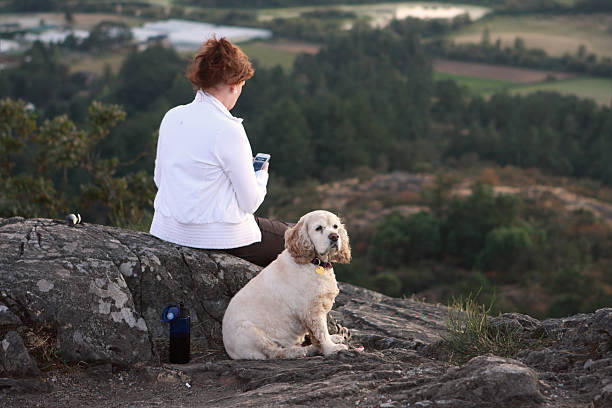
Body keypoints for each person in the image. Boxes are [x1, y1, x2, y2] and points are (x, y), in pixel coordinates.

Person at [150, 36, 290, 267]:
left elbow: (160, 180)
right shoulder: (229, 129)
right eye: (242, 87)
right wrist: (261, 174)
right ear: (234, 84)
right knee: (309, 240)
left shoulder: (172, 116)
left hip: (167, 230)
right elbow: (250, 202)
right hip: (219, 238)